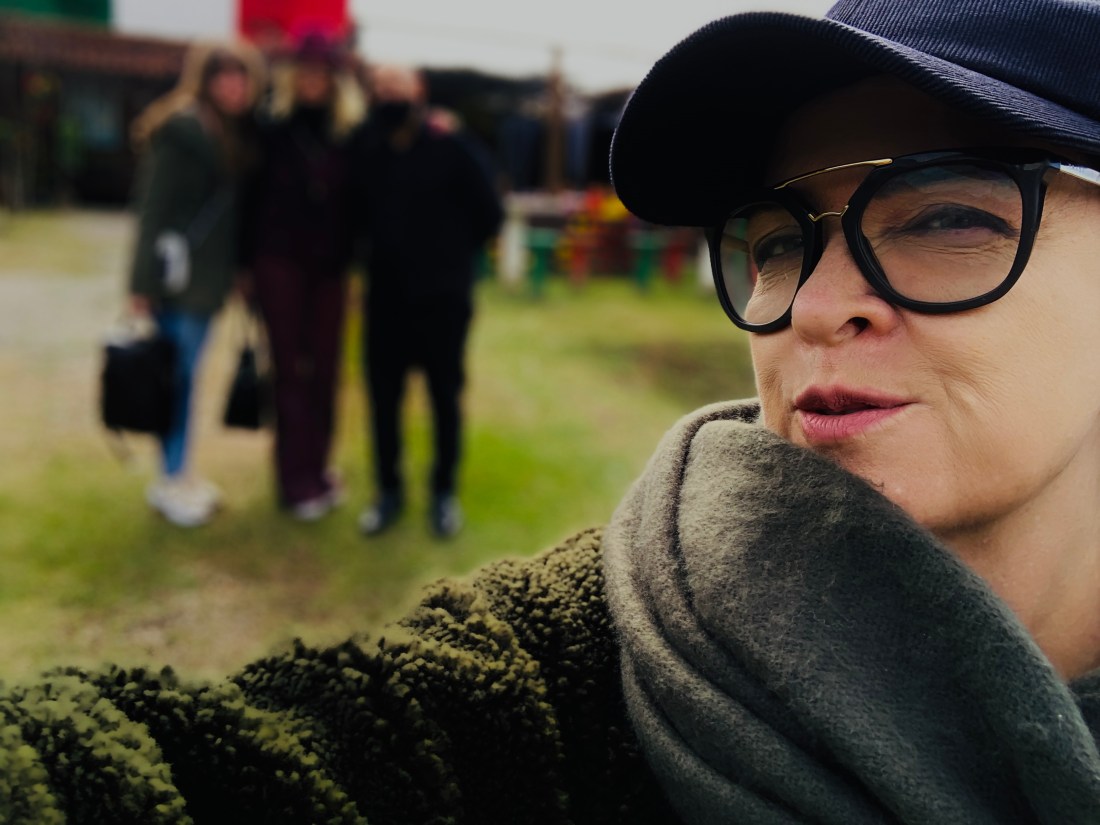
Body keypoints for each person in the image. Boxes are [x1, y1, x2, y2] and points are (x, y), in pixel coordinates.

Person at [6, 0, 1100, 821]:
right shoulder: (589, 670)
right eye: (776, 238)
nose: (810, 304)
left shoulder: (448, 151)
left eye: (946, 216)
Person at [355, 64, 504, 538]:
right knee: (383, 402)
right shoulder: (366, 147)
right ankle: (388, 492)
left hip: (443, 301)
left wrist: (450, 255)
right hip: (384, 302)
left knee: (444, 398)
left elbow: (491, 213)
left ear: (418, 91)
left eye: (397, 87)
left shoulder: (452, 146)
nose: (389, 96)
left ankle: (443, 494)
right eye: (381, 88)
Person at [127, 41, 265, 528]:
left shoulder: (230, 130)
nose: (234, 85)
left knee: (187, 377)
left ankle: (181, 473)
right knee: (178, 380)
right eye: (223, 75)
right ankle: (170, 481)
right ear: (204, 79)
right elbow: (152, 209)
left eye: (241, 75)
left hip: (207, 280)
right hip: (177, 278)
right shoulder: (181, 129)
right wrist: (140, 284)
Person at [241, 31, 366, 520]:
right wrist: (243, 268)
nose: (313, 80)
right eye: (306, 71)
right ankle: (294, 479)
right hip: (279, 264)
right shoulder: (269, 128)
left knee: (327, 370)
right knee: (290, 371)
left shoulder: (348, 133)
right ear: (293, 76)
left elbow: (358, 207)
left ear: (335, 79)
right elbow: (249, 200)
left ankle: (318, 466)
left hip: (331, 268)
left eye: (322, 72)